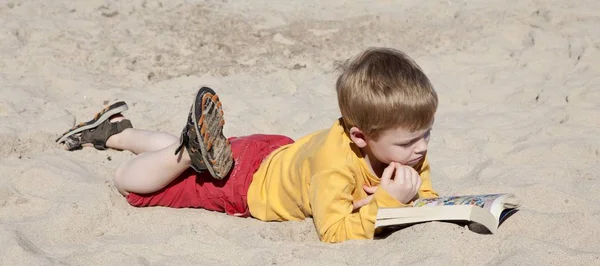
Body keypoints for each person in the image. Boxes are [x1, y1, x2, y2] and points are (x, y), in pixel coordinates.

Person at [56, 47, 438, 243]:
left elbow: (424, 196)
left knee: (171, 155)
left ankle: (116, 131)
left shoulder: (401, 147)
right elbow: (335, 232)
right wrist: (386, 203)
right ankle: (191, 152)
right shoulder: (334, 164)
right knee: (135, 185)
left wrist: (384, 200)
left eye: (426, 134)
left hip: (272, 153)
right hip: (242, 182)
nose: (420, 149)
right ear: (360, 137)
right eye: (410, 141)